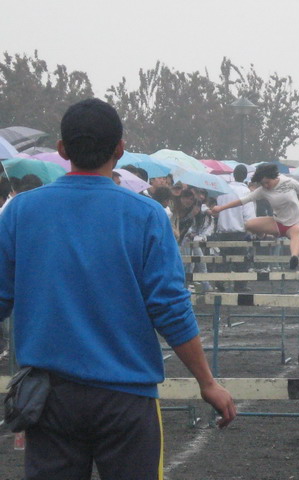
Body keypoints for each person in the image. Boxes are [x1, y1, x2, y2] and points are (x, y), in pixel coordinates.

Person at [0, 98, 235, 480]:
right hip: (127, 397)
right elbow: (170, 308)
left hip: (49, 399)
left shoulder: (20, 211)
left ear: (63, 150)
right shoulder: (147, 215)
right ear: (120, 149)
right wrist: (206, 382)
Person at [210, 163, 299, 270]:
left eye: (267, 182)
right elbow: (242, 201)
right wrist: (221, 208)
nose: (266, 186)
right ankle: (262, 235)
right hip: (277, 223)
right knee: (249, 224)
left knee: (296, 234)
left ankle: (294, 257)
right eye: (262, 184)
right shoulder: (262, 190)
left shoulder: (288, 182)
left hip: (294, 224)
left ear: (273, 177)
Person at [215, 164, 256, 291]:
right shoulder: (245, 192)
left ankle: (220, 282)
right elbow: (249, 215)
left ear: (233, 174)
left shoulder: (224, 190)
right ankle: (240, 286)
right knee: (241, 261)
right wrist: (251, 231)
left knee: (224, 259)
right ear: (245, 176)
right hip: (239, 232)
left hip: (223, 231)